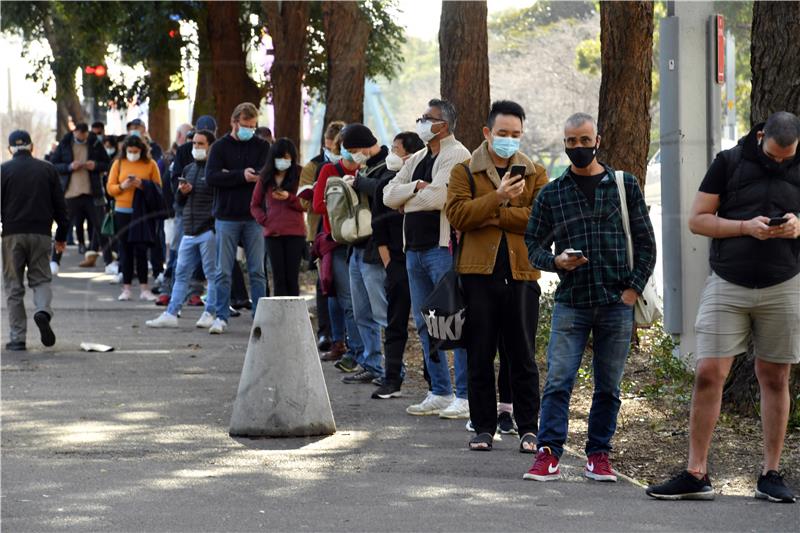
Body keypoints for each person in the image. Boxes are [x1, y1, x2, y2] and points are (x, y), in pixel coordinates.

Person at [646, 111, 800, 503]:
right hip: (728, 282)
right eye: (775, 155)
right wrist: (746, 227)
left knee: (775, 376)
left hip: (783, 283)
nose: (780, 162)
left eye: (788, 157)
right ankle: (696, 472)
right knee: (709, 372)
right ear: (761, 135)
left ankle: (770, 473)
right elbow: (698, 220)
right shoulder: (728, 162)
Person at [524, 112, 656, 481]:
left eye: (584, 140)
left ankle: (599, 455)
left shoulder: (623, 185)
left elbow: (646, 241)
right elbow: (531, 244)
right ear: (564, 143)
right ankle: (548, 453)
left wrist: (633, 288)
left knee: (609, 387)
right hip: (572, 303)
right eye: (571, 142)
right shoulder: (553, 193)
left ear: (597, 140)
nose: (578, 148)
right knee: (558, 381)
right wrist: (555, 262)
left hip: (617, 303)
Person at [446, 100, 548, 451]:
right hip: (477, 274)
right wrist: (501, 197)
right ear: (487, 132)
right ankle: (484, 427)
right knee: (480, 352)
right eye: (503, 133)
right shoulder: (465, 171)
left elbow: (540, 220)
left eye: (516, 134)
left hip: (521, 273)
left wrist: (493, 213)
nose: (509, 140)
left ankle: (528, 428)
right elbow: (458, 215)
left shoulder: (535, 171)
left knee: (522, 354)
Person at [383, 98, 471, 419]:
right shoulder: (418, 156)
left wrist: (409, 197)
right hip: (414, 250)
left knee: (453, 320)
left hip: (441, 249)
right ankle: (439, 390)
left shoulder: (457, 154)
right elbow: (387, 194)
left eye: (427, 118)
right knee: (424, 323)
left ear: (443, 125)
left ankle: (464, 395)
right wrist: (414, 189)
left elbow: (440, 197)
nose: (421, 122)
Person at [337, 123, 394, 385]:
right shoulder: (364, 166)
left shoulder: (389, 164)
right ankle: (371, 363)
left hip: (377, 250)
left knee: (382, 312)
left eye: (353, 150)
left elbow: (385, 192)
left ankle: (394, 368)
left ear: (366, 145)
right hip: (357, 249)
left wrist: (359, 182)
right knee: (362, 313)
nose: (351, 156)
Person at [1, 130, 69, 351]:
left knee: (14, 287)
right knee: (41, 280)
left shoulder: (3, 170)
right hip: (41, 234)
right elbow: (61, 206)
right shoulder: (47, 169)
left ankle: (18, 338)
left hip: (12, 234)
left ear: (10, 149)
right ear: (31, 147)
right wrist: (61, 237)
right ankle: (42, 311)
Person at [205, 102, 269, 334]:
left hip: (254, 216)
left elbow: (267, 173)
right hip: (226, 216)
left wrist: (232, 175)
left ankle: (259, 317)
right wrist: (240, 176)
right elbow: (211, 177)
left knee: (257, 271)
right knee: (223, 270)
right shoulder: (220, 147)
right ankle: (221, 315)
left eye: (253, 126)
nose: (249, 130)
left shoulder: (262, 145)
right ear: (234, 122)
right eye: (245, 125)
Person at [146, 129, 219, 329]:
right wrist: (182, 192)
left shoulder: (215, 171)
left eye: (201, 144)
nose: (196, 147)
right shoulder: (188, 169)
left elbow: (218, 201)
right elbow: (179, 202)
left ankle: (210, 312)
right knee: (181, 273)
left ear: (210, 146)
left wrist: (212, 226)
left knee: (211, 274)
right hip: (189, 229)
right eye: (194, 143)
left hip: (208, 230)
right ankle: (171, 312)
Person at [371, 131, 425, 399]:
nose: (391, 154)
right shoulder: (385, 186)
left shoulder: (427, 182)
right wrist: (389, 265)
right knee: (395, 322)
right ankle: (391, 378)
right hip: (397, 262)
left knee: (430, 322)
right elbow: (378, 229)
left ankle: (434, 382)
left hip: (423, 257)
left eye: (396, 149)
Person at [312, 129, 368, 374]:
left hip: (363, 241)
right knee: (345, 299)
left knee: (357, 300)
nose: (354, 153)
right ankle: (352, 350)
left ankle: (359, 350)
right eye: (349, 147)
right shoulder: (328, 171)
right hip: (336, 243)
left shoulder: (365, 170)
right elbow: (317, 204)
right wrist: (343, 200)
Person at [300, 121, 346, 356]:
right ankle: (326, 332)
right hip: (321, 232)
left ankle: (343, 337)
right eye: (328, 146)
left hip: (346, 233)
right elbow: (307, 201)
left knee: (343, 288)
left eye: (335, 146)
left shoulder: (353, 166)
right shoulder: (316, 166)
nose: (332, 151)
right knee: (324, 284)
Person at [106, 135, 163, 301]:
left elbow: (158, 188)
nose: (132, 154)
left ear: (142, 150)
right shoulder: (119, 163)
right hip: (122, 211)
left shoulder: (150, 164)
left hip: (142, 213)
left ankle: (145, 288)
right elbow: (110, 188)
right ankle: (126, 288)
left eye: (135, 151)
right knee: (125, 250)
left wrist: (142, 185)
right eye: (129, 151)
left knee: (141, 249)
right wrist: (122, 186)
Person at [48, 122, 111, 267]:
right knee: (63, 228)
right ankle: (54, 261)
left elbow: (107, 163)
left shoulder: (94, 143)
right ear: (74, 132)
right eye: (79, 135)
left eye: (84, 135)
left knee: (100, 227)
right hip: (70, 193)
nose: (82, 138)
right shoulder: (64, 143)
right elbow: (53, 165)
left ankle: (109, 262)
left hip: (92, 193)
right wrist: (69, 167)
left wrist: (95, 165)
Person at [251, 138, 306, 296]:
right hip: (273, 234)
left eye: (287, 158)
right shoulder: (265, 177)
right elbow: (254, 204)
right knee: (278, 278)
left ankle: (293, 315)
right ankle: (279, 316)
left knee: (292, 278)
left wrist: (289, 197)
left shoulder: (299, 174)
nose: (283, 161)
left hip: (295, 233)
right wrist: (265, 220)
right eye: (280, 157)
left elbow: (305, 204)